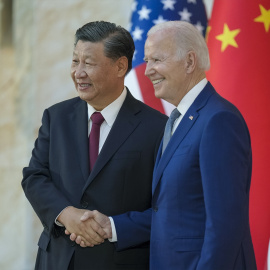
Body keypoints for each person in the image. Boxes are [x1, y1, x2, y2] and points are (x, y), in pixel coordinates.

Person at [74, 21, 257, 269]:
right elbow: (171, 211)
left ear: (190, 62)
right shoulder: (177, 121)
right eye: (147, 60)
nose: (147, 70)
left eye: (156, 60)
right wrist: (113, 226)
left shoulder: (218, 120)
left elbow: (226, 225)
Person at [21, 21, 167, 270]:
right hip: (56, 261)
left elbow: (166, 207)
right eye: (75, 61)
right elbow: (34, 176)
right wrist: (66, 214)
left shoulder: (158, 128)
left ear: (120, 66)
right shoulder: (55, 117)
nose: (78, 72)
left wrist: (111, 227)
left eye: (88, 63)